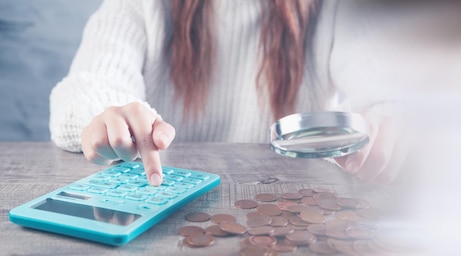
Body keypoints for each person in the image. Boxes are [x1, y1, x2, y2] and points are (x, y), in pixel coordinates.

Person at [50, 0, 407, 186]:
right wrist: (106, 117)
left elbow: (389, 90)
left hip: (293, 214)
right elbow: (88, 84)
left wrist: (390, 121)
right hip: (162, 211)